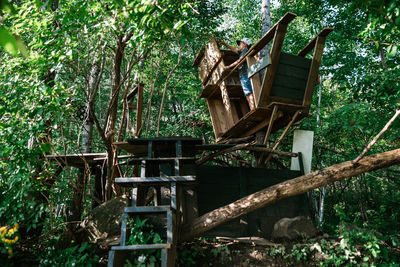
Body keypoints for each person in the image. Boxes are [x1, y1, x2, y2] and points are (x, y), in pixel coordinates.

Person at [219, 37, 255, 110]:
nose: (238, 46)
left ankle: (253, 109)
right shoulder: (242, 52)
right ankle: (252, 108)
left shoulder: (245, 50)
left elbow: (240, 60)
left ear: (245, 44)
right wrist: (225, 43)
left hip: (245, 74)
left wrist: (228, 66)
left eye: (240, 44)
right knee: (247, 93)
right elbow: (234, 50)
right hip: (243, 75)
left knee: (248, 92)